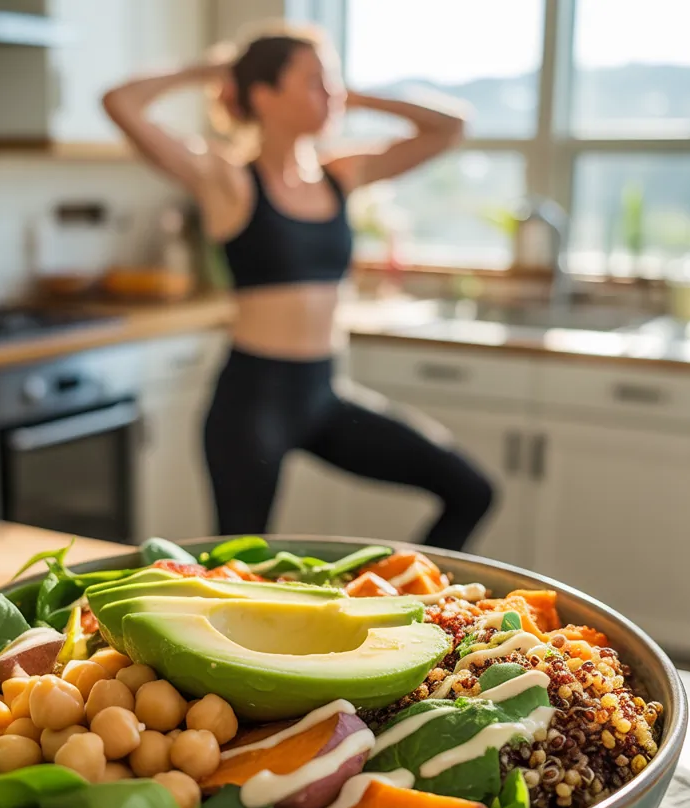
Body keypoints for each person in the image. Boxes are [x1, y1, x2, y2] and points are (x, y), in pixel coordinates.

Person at [102, 25, 493, 549]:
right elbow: (120, 103)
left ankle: (412, 591)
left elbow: (450, 127)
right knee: (239, 562)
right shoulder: (229, 180)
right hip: (251, 402)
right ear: (264, 95)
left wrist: (349, 95)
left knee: (470, 491)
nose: (330, 93)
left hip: (324, 395)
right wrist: (215, 71)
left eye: (332, 80)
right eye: (314, 82)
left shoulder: (341, 175)